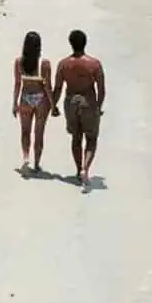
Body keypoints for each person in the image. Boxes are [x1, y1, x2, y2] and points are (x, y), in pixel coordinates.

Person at [52, 30, 106, 186]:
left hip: (71, 102)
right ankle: (85, 169)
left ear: (71, 43)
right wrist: (98, 107)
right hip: (88, 102)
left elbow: (58, 88)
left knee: (76, 137)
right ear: (85, 43)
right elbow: (101, 88)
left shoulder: (64, 64)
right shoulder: (94, 64)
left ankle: (77, 170)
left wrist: (53, 105)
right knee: (91, 138)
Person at [11, 31, 55, 172]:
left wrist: (14, 103)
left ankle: (26, 158)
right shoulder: (44, 63)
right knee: (39, 133)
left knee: (25, 131)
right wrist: (53, 104)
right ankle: (37, 163)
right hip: (41, 99)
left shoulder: (19, 62)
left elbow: (17, 83)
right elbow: (48, 86)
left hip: (25, 98)